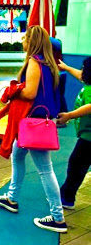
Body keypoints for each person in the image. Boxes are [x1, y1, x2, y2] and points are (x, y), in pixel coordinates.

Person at [0, 25, 67, 234]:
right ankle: (12, 198)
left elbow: (30, 93)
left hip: (33, 123)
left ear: (32, 41)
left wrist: (12, 90)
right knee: (17, 155)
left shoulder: (35, 61)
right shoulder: (48, 64)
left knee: (45, 169)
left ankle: (58, 218)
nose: (22, 40)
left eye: (25, 37)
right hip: (39, 121)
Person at [56, 57, 91, 209]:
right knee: (77, 166)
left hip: (88, 138)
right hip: (86, 136)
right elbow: (80, 76)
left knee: (76, 166)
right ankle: (66, 195)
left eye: (84, 69)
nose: (81, 71)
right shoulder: (89, 84)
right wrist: (67, 67)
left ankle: (67, 198)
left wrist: (69, 115)